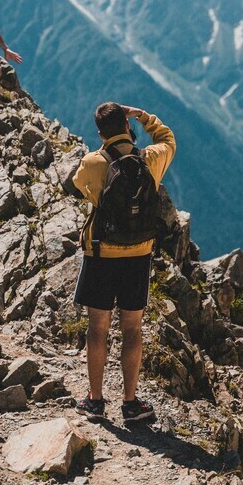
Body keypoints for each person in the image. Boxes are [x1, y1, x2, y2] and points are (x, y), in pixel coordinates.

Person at [72, 101, 176, 423]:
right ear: (128, 126)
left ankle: (95, 401)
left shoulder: (93, 163)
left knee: (97, 327)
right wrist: (143, 115)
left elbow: (79, 186)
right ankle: (130, 404)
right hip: (139, 255)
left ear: (100, 133)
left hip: (101, 255)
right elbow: (168, 139)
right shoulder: (150, 159)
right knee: (132, 329)